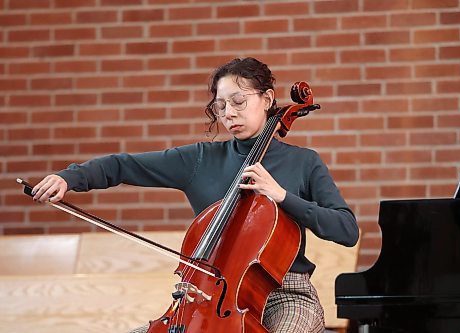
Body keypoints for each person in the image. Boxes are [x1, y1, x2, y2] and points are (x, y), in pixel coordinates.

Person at [32, 57, 359, 333]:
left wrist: (281, 195)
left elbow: (346, 229)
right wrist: (69, 177)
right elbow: (123, 165)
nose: (228, 113)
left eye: (239, 102)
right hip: (208, 296)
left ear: (268, 99)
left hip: (286, 293)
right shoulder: (201, 159)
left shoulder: (303, 162)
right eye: (220, 105)